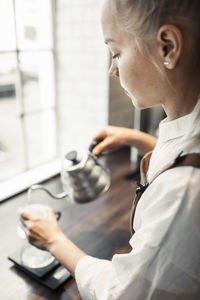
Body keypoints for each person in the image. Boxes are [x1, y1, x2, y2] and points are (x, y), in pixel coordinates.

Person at [21, 0, 200, 299]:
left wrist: (53, 240)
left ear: (167, 47)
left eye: (116, 52)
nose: (111, 69)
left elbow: (119, 293)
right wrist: (140, 140)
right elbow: (187, 155)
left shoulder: (185, 191)